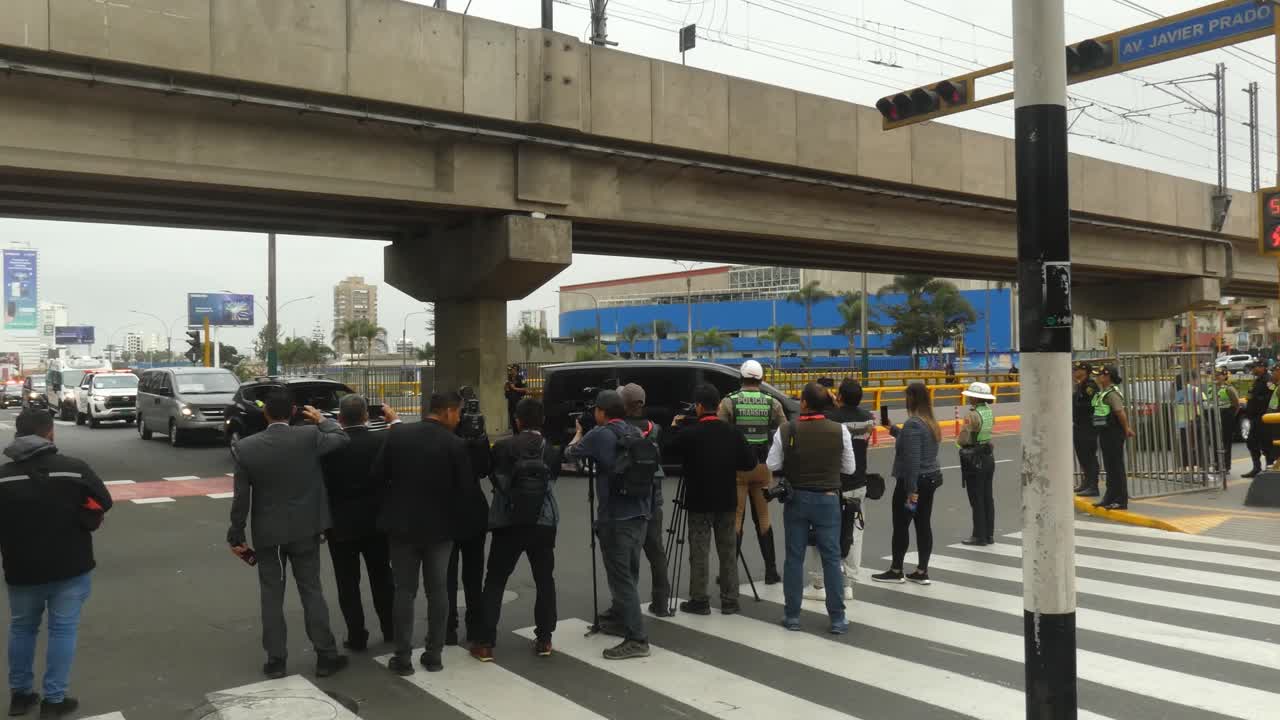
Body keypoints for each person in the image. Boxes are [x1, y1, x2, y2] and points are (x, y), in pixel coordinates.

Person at [227, 390, 350, 680]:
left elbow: (241, 498)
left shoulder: (245, 448)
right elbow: (343, 439)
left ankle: (276, 660)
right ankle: (325, 656)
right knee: (311, 590)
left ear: (266, 414)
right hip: (306, 528)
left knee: (271, 595)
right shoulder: (308, 437)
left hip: (268, 532)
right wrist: (322, 420)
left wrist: (236, 532)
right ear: (293, 412)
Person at [0, 409, 111, 718]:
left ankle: (20, 696)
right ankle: (53, 700)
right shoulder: (74, 470)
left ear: (17, 434)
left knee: (22, 628)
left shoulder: (3, 476)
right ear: (49, 433)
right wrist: (82, 515)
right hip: (70, 566)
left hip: (21, 568)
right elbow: (104, 500)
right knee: (63, 631)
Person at [376, 391, 476, 676]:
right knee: (439, 591)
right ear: (446, 412)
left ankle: (402, 657)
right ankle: (434, 655)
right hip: (440, 530)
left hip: (402, 527)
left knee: (404, 591)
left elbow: (377, 476)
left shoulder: (398, 437)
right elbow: (466, 491)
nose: (458, 418)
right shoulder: (455, 444)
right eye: (457, 413)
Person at [566, 389, 654, 660]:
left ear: (602, 412)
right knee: (630, 573)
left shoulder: (599, 434)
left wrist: (580, 432)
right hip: (640, 513)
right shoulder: (634, 432)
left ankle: (637, 639)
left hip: (616, 517)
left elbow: (570, 454)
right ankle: (620, 617)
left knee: (621, 579)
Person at [472, 397, 561, 661]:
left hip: (508, 521)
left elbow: (486, 471)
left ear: (517, 421)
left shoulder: (502, 447)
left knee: (496, 579)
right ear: (542, 421)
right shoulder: (551, 450)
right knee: (545, 579)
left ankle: (485, 643)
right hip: (543, 521)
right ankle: (545, 639)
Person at [767, 383, 857, 635]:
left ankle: (792, 616)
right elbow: (849, 468)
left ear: (804, 404)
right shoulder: (839, 430)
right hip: (828, 500)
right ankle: (837, 618)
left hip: (796, 499)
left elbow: (772, 463)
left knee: (794, 558)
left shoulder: (787, 429)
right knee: (831, 558)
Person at [665, 383, 757, 615]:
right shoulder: (732, 432)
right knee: (727, 550)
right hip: (726, 501)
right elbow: (750, 462)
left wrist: (675, 428)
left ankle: (700, 600)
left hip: (698, 502)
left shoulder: (689, 434)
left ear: (698, 407)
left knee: (699, 551)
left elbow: (667, 451)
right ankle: (730, 600)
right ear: (717, 406)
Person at [320, 396, 399, 652]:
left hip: (341, 524)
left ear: (340, 418)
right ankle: (390, 628)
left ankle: (357, 635)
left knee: (348, 583)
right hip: (377, 521)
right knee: (382, 577)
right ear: (366, 416)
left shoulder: (329, 448)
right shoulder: (380, 442)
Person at [804, 378, 875, 601]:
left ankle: (818, 583)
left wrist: (833, 404)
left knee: (822, 531)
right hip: (858, 484)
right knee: (854, 534)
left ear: (840, 396)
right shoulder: (868, 419)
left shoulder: (829, 418)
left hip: (831, 484)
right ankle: (848, 585)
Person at [718, 360, 785, 585]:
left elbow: (720, 430)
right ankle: (771, 572)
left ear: (742, 377)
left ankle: (729, 573)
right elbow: (783, 431)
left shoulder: (730, 401)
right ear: (761, 379)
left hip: (737, 468)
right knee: (764, 519)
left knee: (736, 519)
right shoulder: (772, 402)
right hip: (763, 466)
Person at [873, 382, 941, 586]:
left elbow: (912, 460)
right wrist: (892, 429)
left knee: (901, 526)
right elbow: (912, 443)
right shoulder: (930, 422)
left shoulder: (913, 423)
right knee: (923, 525)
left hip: (913, 483)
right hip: (930, 479)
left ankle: (896, 570)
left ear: (911, 398)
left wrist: (911, 491)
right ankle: (922, 571)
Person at [618, 383, 671, 617]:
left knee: (628, 555)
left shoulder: (619, 430)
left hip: (628, 500)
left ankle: (625, 606)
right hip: (653, 497)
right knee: (656, 551)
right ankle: (661, 602)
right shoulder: (655, 428)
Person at [957, 382, 996, 546]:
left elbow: (964, 438)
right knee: (987, 497)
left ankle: (978, 535)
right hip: (987, 456)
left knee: (976, 498)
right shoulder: (988, 411)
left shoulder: (972, 415)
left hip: (974, 458)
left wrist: (960, 445)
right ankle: (989, 534)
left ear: (975, 397)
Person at [1093, 365, 1135, 511]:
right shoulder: (1103, 392)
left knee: (1116, 467)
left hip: (1113, 432)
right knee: (1110, 466)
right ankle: (1109, 497)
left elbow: (1120, 412)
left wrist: (1127, 428)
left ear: (1107, 376)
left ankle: (1121, 500)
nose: (1097, 378)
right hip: (1105, 432)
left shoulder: (1112, 393)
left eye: (1099, 375)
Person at [1072, 363, 1102, 497]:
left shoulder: (1090, 386)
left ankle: (1093, 485)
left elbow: (1093, 404)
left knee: (1089, 456)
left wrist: (1077, 406)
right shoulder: (1080, 385)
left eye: (1076, 370)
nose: (1074, 372)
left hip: (1088, 425)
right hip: (1079, 425)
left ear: (1084, 371)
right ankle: (1086, 482)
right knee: (1082, 455)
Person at [1243, 362, 1271, 478]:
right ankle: (1256, 468)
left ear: (1262, 367)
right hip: (1253, 417)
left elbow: (1269, 397)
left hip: (1263, 417)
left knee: (1266, 444)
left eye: (1255, 367)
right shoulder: (1257, 380)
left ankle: (1270, 468)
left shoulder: (1268, 381)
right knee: (1251, 442)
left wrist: (1256, 399)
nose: (1253, 369)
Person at [1211, 368, 1240, 471]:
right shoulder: (1212, 388)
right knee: (1215, 441)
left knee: (1226, 442)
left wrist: (1231, 416)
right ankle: (1217, 465)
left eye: (1219, 375)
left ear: (1224, 376)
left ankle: (1226, 466)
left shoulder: (1229, 388)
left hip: (1226, 417)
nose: (1216, 376)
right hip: (1214, 417)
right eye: (1215, 375)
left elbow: (1237, 404)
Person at [504, 364, 529, 435]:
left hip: (518, 401)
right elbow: (506, 391)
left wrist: (514, 388)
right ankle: (515, 434)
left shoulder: (521, 378)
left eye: (514, 369)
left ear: (517, 371)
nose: (512, 371)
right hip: (511, 402)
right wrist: (506, 388)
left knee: (518, 418)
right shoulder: (509, 379)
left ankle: (520, 434)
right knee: (512, 419)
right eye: (511, 369)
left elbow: (525, 389)